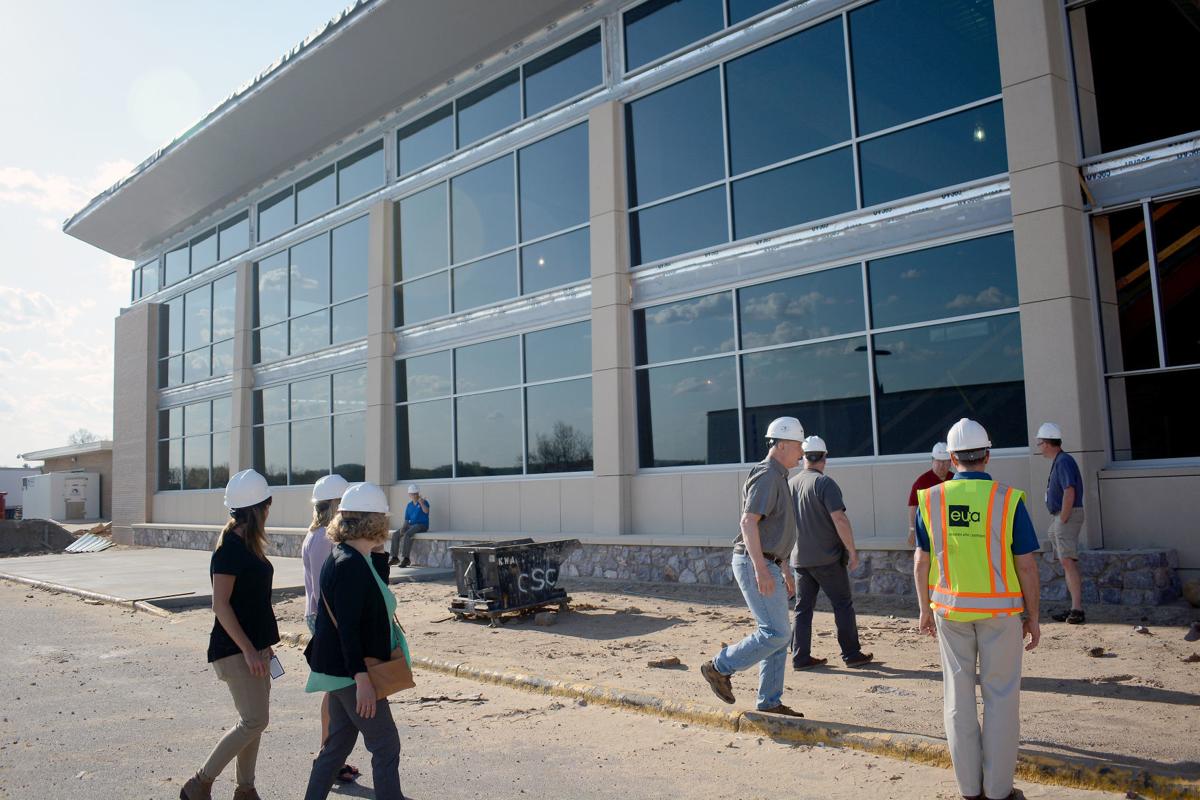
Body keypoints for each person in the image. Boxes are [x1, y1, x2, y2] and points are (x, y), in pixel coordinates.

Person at [914, 418, 1041, 800]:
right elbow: (1027, 565)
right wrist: (1033, 616)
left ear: (952, 458)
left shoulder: (932, 498)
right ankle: (999, 791)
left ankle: (970, 791)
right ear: (987, 454)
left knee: (958, 697)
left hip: (950, 611)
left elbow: (921, 561)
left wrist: (923, 609)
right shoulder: (1007, 499)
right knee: (1001, 698)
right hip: (1001, 614)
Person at [304, 482, 408, 800]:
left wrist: (377, 555)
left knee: (337, 745)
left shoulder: (350, 556)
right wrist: (361, 678)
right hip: (353, 671)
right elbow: (348, 629)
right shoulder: (349, 564)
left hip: (339, 670)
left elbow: (375, 592)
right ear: (375, 522)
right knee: (386, 744)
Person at [180, 469, 279, 800]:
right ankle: (199, 783)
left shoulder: (248, 546)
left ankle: (245, 790)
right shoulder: (229, 551)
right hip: (234, 649)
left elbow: (253, 604)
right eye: (267, 504)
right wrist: (250, 650)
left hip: (254, 646)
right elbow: (220, 606)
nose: (269, 509)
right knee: (254, 720)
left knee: (253, 721)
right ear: (257, 508)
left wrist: (264, 646)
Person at [700, 416, 803, 717]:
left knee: (778, 633)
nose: (801, 452)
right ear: (782, 445)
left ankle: (770, 701)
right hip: (754, 561)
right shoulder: (768, 475)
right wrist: (760, 568)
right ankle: (718, 667)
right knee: (776, 633)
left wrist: (783, 568)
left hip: (769, 561)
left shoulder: (779, 475)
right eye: (798, 446)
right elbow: (748, 522)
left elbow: (774, 528)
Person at [790, 435, 873, 670]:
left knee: (802, 609)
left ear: (804, 457)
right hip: (827, 558)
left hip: (800, 559)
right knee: (842, 605)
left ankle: (800, 657)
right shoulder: (825, 484)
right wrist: (852, 551)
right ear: (824, 458)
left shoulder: (790, 485)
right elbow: (839, 518)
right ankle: (851, 654)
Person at [300, 474, 360, 786]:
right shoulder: (326, 539)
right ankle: (329, 754)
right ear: (337, 504)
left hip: (316, 616)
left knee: (333, 690)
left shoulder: (312, 535)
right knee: (337, 690)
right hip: (328, 619)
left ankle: (330, 754)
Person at [1036, 422, 1086, 624]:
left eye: (1040, 443)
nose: (1039, 448)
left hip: (1066, 515)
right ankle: (1073, 607)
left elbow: (1069, 491)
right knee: (1066, 563)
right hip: (1061, 515)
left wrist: (1063, 518)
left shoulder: (1063, 461)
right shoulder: (1061, 460)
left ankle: (1077, 609)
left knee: (1067, 561)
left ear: (1047, 443)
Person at [907, 442, 954, 547]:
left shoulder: (955, 480)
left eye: (945, 462)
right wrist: (912, 529)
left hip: (952, 533)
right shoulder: (922, 482)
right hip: (928, 533)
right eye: (939, 461)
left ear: (951, 462)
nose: (942, 465)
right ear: (932, 460)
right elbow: (913, 505)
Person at [389, 483, 429, 568]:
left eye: (416, 494)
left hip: (422, 525)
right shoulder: (409, 505)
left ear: (418, 493)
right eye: (413, 494)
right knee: (396, 534)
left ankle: (406, 559)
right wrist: (403, 528)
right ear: (409, 495)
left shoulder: (424, 502)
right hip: (411, 525)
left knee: (407, 534)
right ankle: (395, 557)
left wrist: (421, 503)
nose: (415, 495)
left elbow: (426, 511)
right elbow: (407, 519)